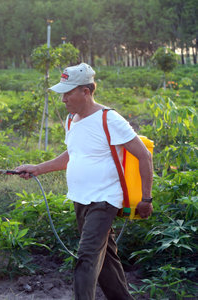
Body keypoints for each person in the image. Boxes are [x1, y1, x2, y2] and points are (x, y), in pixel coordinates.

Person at [15, 63, 153, 300]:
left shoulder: (109, 119)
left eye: (68, 93)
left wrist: (146, 198)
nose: (63, 99)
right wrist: (37, 168)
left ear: (86, 91)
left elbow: (144, 155)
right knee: (106, 260)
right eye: (62, 93)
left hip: (104, 200)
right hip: (81, 199)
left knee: (86, 258)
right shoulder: (72, 120)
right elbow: (72, 155)